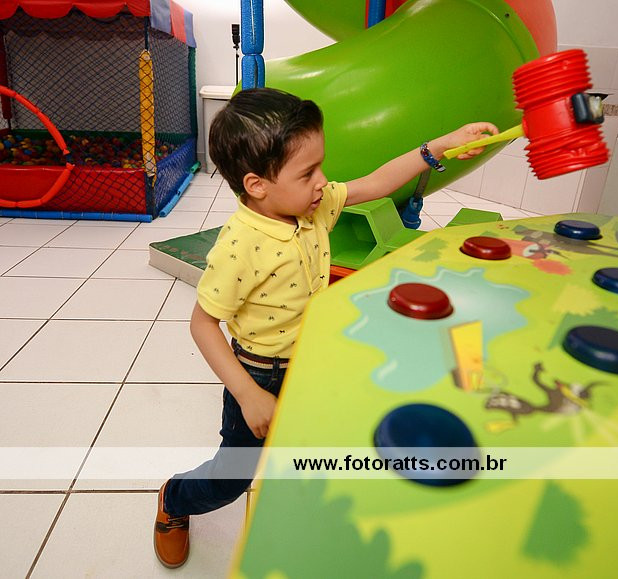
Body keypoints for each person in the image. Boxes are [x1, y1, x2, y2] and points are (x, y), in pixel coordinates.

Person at [153, 87, 498, 568]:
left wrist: (438, 147)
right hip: (259, 374)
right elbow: (203, 325)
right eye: (307, 173)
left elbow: (374, 183)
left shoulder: (311, 207)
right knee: (233, 477)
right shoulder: (239, 245)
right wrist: (249, 395)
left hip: (311, 357)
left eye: (320, 167)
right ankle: (174, 499)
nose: (323, 182)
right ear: (257, 185)